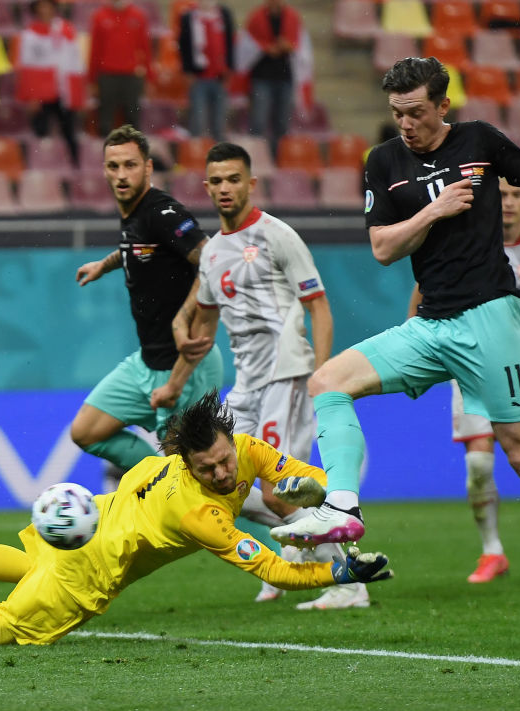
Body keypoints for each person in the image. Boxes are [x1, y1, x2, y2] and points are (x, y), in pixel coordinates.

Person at [269, 57, 520, 638]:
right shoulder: (383, 162)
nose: (404, 123)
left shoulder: (480, 140)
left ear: (442, 106)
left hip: (490, 318)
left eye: (414, 111)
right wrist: (432, 210)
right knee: (327, 382)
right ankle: (344, 506)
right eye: (396, 113)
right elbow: (382, 248)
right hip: (431, 325)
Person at [0, 391, 394, 642]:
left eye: (223, 461)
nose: (222, 475)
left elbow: (297, 470)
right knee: (1, 629)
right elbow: (274, 570)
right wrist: (340, 574)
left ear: (229, 441)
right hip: (95, 562)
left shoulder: (243, 453)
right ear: (185, 465)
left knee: (24, 565)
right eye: (208, 469)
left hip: (92, 519)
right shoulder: (201, 516)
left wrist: (313, 485)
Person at [152, 141, 365, 610]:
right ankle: (295, 550)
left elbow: (319, 307)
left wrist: (321, 374)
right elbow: (204, 328)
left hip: (286, 373)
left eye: (234, 179)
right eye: (217, 181)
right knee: (217, 479)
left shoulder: (277, 235)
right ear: (205, 187)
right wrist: (173, 380)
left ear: (251, 183)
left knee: (277, 486)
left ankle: (349, 582)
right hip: (245, 385)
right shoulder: (211, 255)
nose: (225, 188)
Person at [420, 178, 520, 584]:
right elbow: (423, 294)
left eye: (516, 195)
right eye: (502, 195)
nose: (508, 203)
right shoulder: (467, 241)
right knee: (478, 463)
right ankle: (492, 551)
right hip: (470, 361)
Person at [71, 124, 223, 477]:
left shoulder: (161, 212)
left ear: (148, 168)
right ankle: (159, 479)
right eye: (113, 167)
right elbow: (137, 249)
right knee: (86, 432)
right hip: (147, 362)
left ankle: (282, 519)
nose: (121, 175)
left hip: (185, 365)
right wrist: (105, 265)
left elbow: (212, 262)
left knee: (202, 480)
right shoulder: (135, 214)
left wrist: (181, 326)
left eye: (130, 165)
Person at [16, 0, 83, 165]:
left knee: (69, 132)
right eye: (41, 6)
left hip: (64, 90)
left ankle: (76, 168)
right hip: (41, 92)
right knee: (40, 133)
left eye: (48, 5)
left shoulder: (66, 30)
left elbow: (75, 62)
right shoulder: (30, 34)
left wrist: (78, 93)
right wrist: (31, 95)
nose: (45, 9)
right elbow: (27, 66)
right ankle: (40, 169)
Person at [244, 0, 301, 156]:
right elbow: (248, 44)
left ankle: (278, 158)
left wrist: (286, 46)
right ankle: (255, 157)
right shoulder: (256, 17)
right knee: (258, 121)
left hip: (284, 76)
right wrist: (266, 47)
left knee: (282, 124)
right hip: (262, 76)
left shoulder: (292, 17)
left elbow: (297, 44)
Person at [88, 0, 152, 136]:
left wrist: (150, 78)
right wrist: (92, 79)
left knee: (133, 120)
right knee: (105, 120)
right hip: (107, 75)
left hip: (131, 76)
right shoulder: (100, 16)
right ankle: (107, 155)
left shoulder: (138, 16)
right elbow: (95, 50)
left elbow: (145, 48)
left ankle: (134, 156)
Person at [178, 0, 235, 141]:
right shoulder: (189, 17)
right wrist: (187, 70)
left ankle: (220, 155)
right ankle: (195, 155)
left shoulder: (224, 15)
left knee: (219, 121)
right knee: (198, 119)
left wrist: (229, 69)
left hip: (219, 76)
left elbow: (229, 43)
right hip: (199, 77)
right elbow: (183, 46)